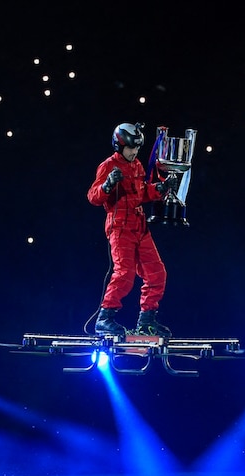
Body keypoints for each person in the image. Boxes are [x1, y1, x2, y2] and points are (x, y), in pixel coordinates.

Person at [87, 122, 176, 337]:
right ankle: (105, 318)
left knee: (157, 273)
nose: (134, 152)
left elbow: (142, 193)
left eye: (137, 148)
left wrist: (160, 189)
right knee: (124, 273)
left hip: (139, 226)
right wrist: (108, 184)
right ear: (119, 145)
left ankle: (147, 321)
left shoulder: (136, 165)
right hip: (120, 227)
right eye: (130, 148)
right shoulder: (108, 165)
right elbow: (93, 197)